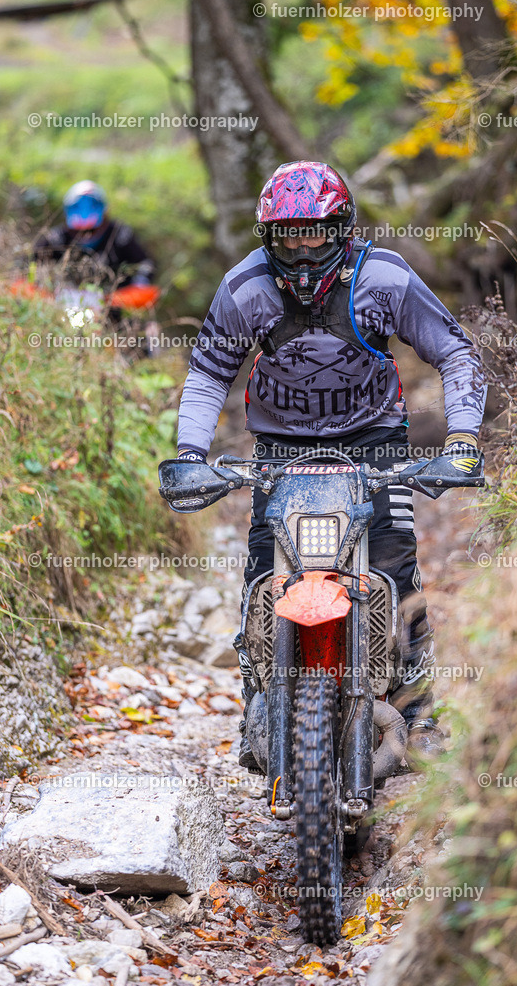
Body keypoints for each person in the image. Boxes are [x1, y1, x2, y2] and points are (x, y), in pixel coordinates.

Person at [175, 160, 487, 770]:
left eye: (313, 232)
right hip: (280, 454)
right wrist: (190, 456)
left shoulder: (385, 278)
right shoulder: (245, 287)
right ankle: (260, 705)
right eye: (287, 234)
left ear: (341, 228)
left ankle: (420, 716)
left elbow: (455, 351)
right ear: (269, 236)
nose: (300, 247)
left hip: (374, 444)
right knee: (264, 575)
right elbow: (209, 372)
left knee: (395, 567)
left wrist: (463, 441)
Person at [34, 180, 156, 295]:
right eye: (79, 230)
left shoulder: (120, 235)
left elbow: (145, 265)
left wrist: (133, 290)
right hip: (65, 300)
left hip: (114, 300)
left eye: (92, 230)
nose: (86, 234)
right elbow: (29, 263)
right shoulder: (57, 238)